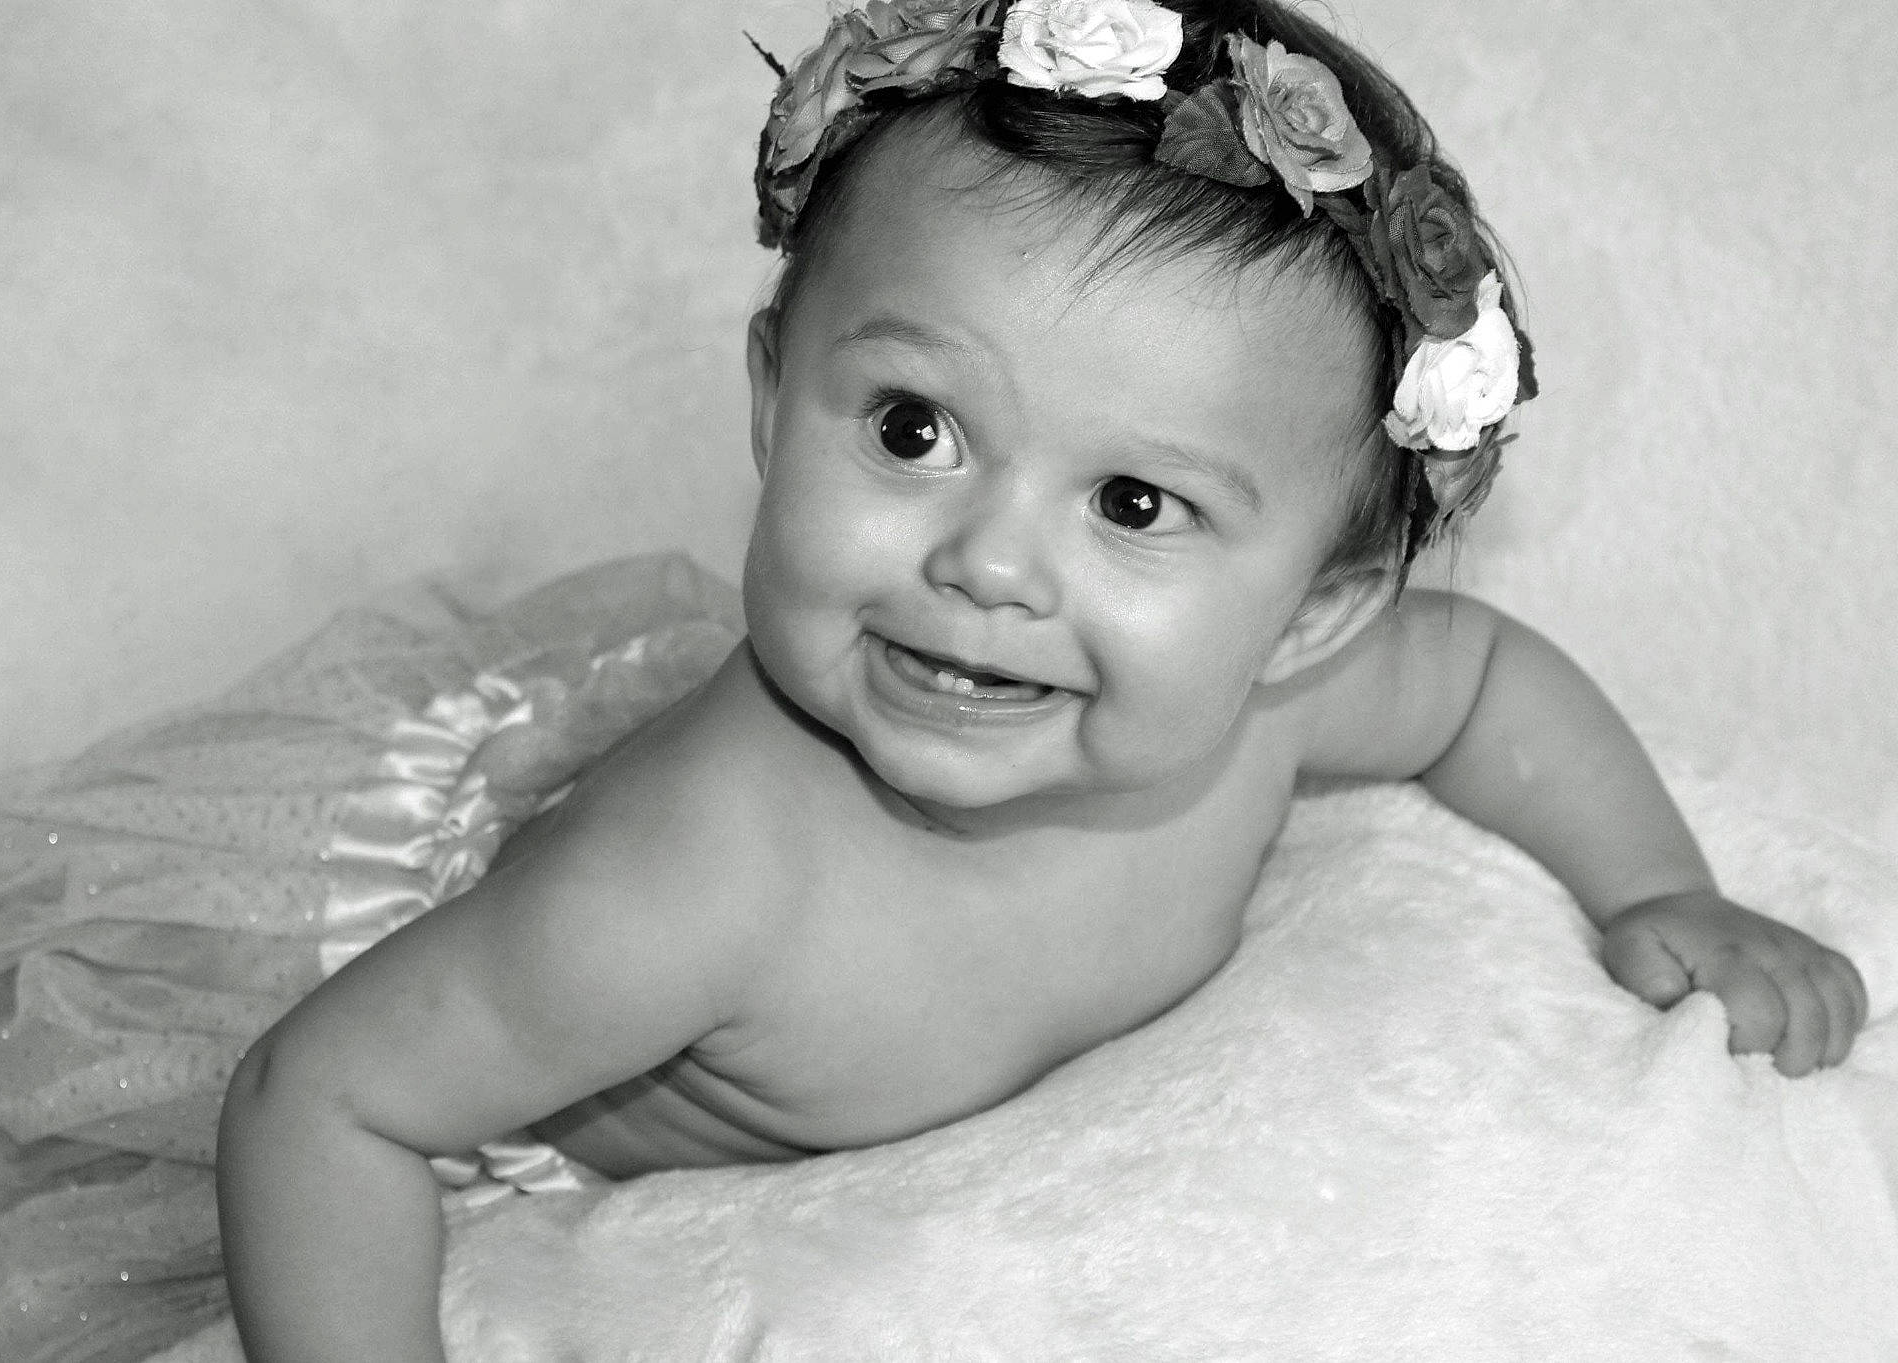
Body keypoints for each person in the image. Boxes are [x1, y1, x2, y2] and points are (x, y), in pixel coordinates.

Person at [215, 1, 1870, 1359]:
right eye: (913, 432)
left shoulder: (1270, 711)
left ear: (1311, 615)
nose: (989, 565)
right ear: (774, 399)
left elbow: (1486, 679)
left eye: (1133, 505)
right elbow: (323, 1101)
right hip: (542, 1151)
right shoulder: (689, 879)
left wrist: (1662, 887)